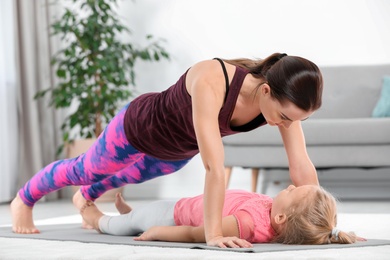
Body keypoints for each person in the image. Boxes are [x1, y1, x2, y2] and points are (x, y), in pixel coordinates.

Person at [11, 53, 323, 248]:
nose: (283, 124)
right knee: (87, 170)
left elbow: (301, 166)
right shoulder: (213, 79)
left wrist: (321, 222)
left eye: (293, 120)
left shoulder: (281, 105)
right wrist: (212, 234)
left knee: (126, 177)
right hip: (135, 130)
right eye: (283, 117)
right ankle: (24, 198)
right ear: (266, 91)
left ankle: (85, 196)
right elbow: (215, 167)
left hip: (174, 153)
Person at [80, 185, 357, 247]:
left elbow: (196, 232)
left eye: (293, 191)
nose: (291, 185)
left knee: (123, 226)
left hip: (173, 217)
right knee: (139, 216)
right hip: (183, 204)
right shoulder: (275, 212)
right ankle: (133, 214)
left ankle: (94, 216)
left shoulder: (245, 224)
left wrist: (157, 233)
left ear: (282, 218)